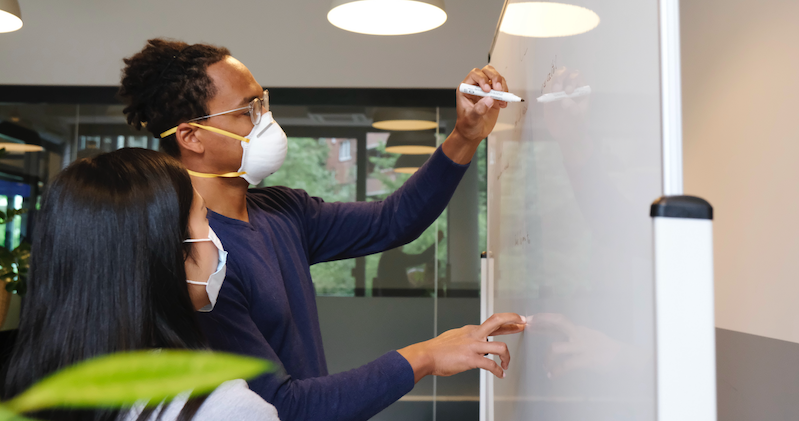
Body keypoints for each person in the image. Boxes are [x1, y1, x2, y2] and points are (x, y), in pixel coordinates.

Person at [119, 38, 526, 421]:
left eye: (264, 103)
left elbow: (393, 221)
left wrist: (465, 135)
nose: (266, 122)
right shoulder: (198, 261)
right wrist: (427, 356)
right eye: (247, 111)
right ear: (192, 136)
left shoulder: (281, 211)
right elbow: (282, 408)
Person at [2, 148, 279, 421]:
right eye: (205, 219)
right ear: (169, 250)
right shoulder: (224, 408)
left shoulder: (17, 390)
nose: (214, 237)